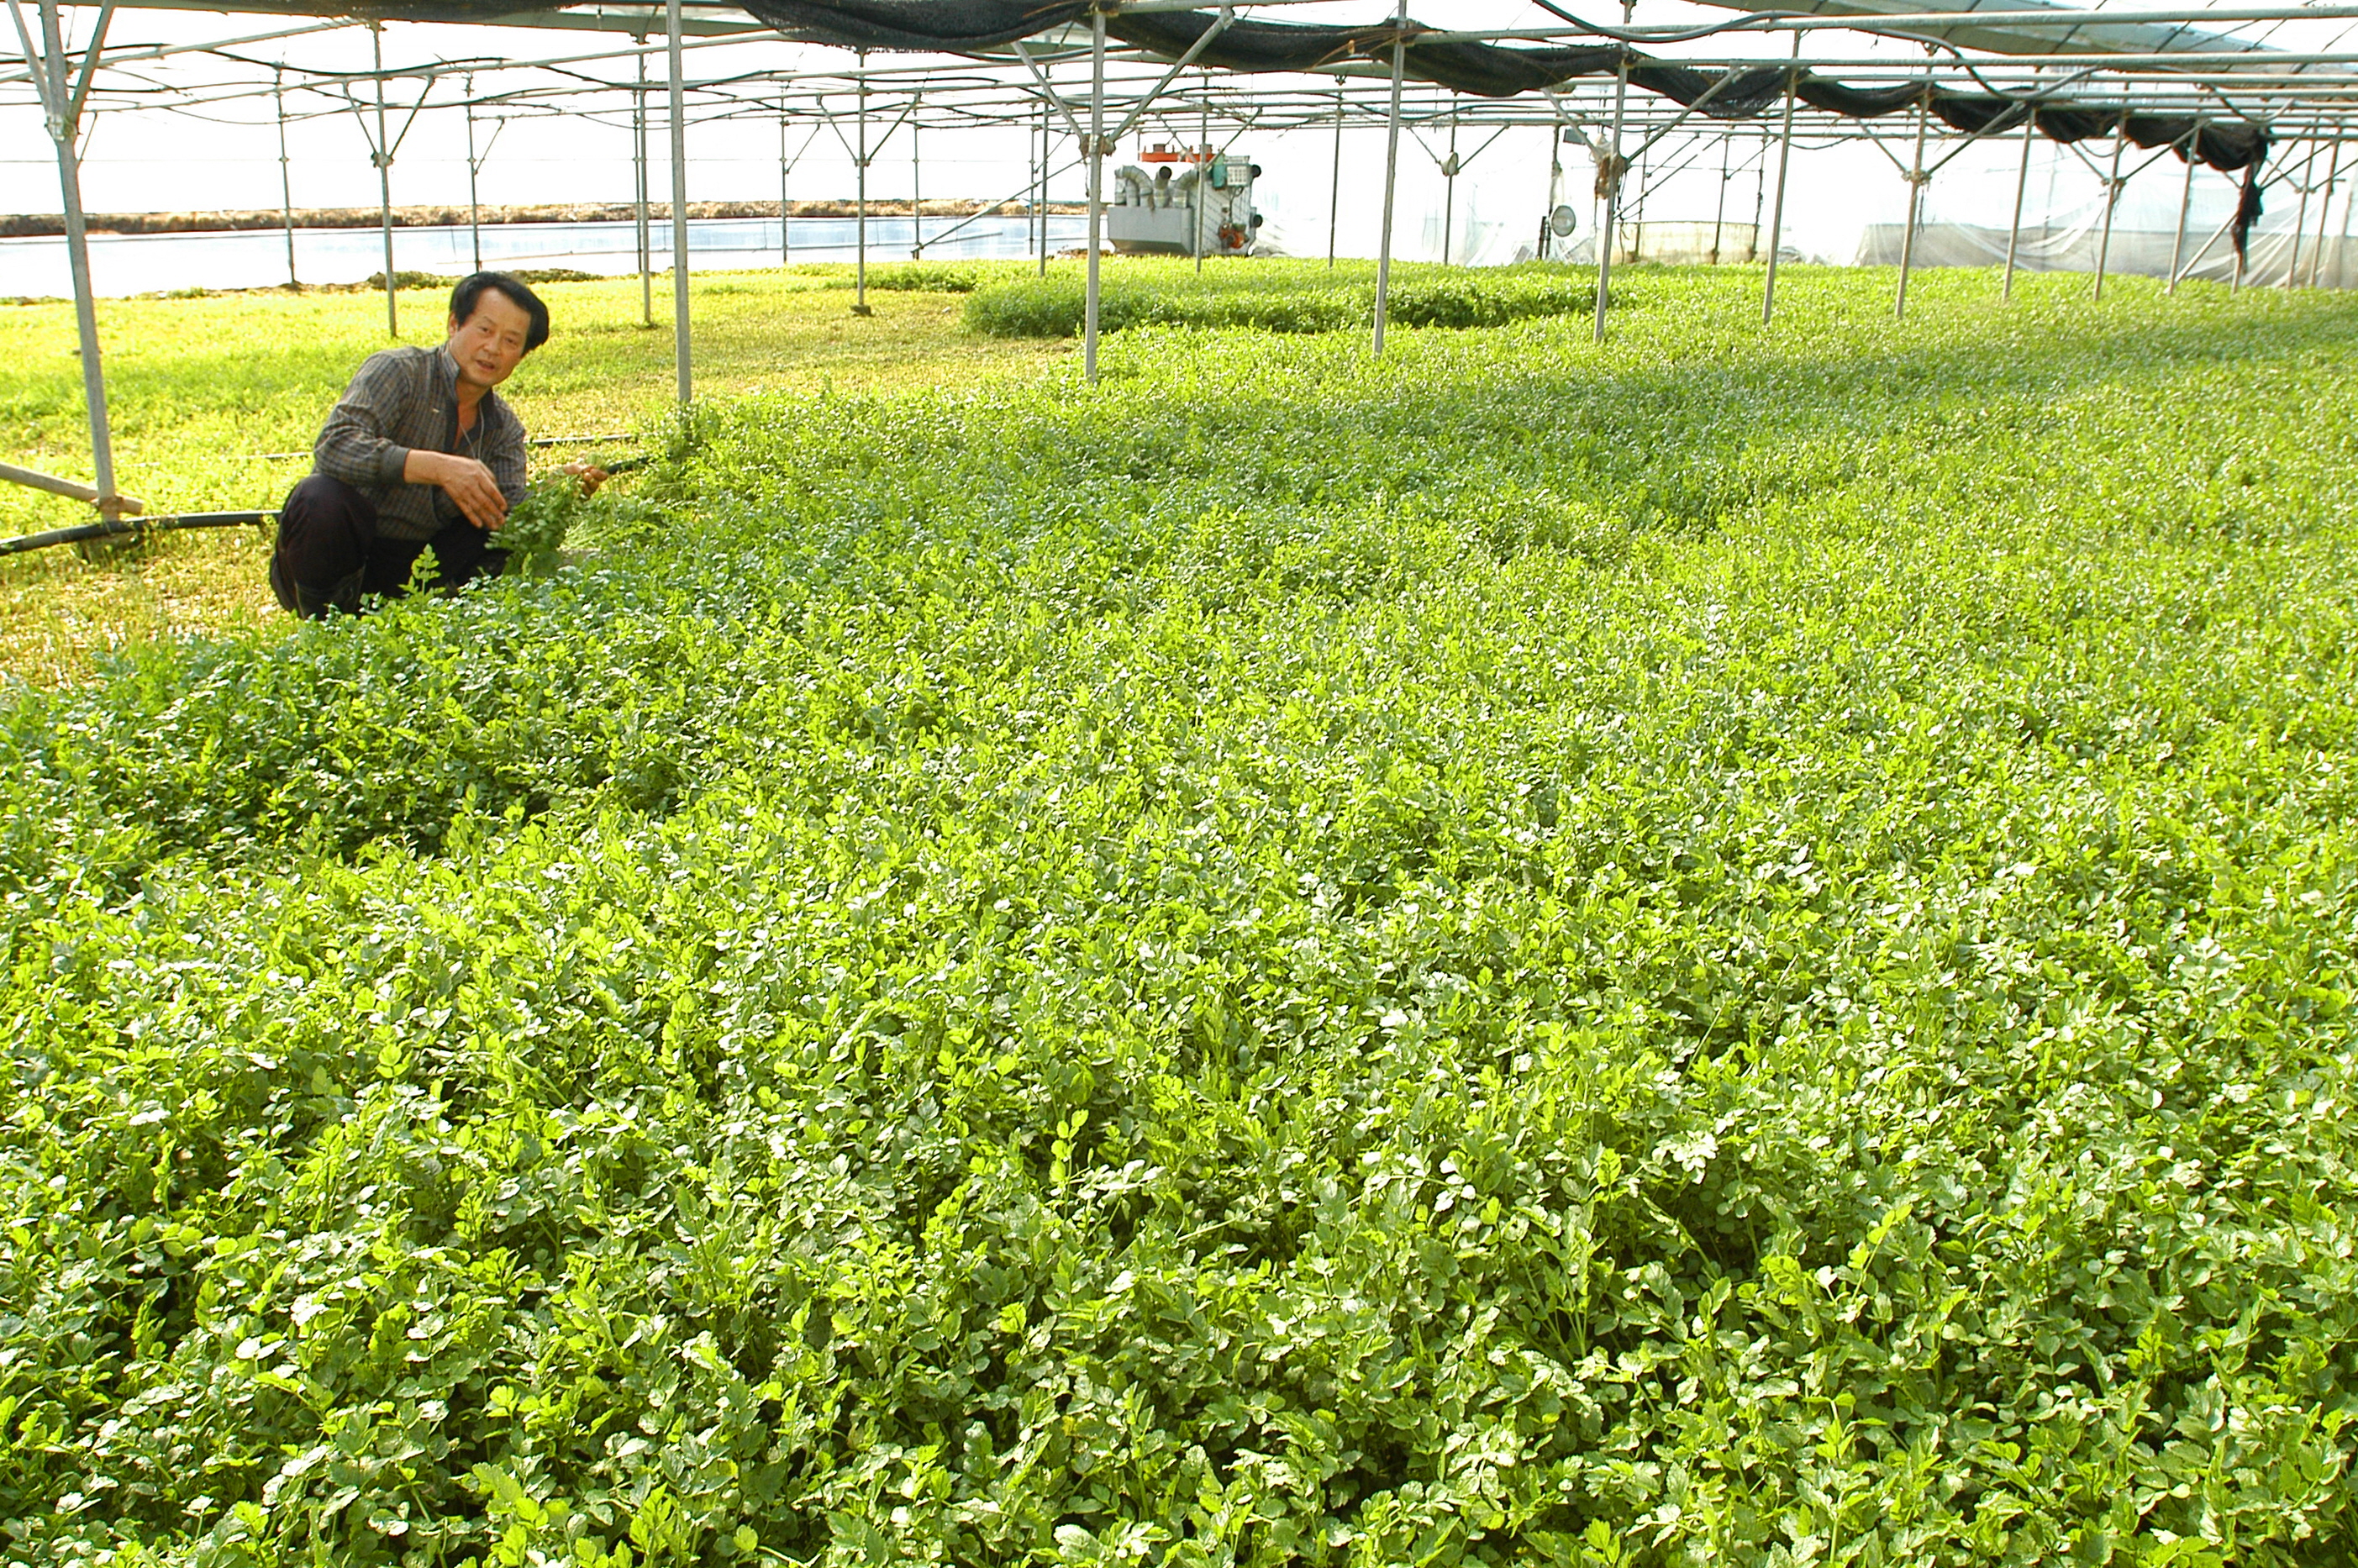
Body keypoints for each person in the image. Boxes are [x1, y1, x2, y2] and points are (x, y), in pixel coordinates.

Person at [269, 271, 597, 617]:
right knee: (320, 497)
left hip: (414, 566)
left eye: (511, 341)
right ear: (455, 324)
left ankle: (430, 614)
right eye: (484, 330)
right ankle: (323, 625)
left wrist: (557, 490)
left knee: (493, 530)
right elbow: (335, 445)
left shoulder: (504, 427)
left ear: (521, 356)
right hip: (346, 554)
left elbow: (508, 511)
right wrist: (436, 468)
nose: (493, 348)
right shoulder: (398, 372)